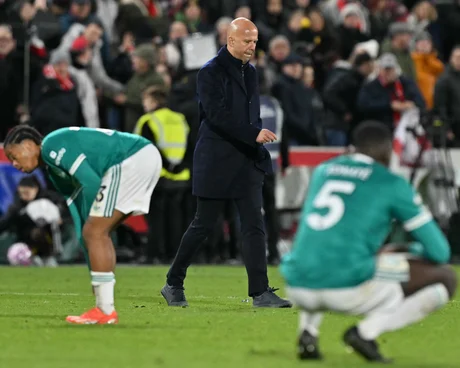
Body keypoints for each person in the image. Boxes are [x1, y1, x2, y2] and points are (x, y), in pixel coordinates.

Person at [280, 121, 457, 362]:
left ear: (354, 148)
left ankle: (308, 333)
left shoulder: (324, 170)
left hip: (297, 285)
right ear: (388, 151)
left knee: (324, 248)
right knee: (445, 278)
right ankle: (366, 333)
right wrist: (407, 249)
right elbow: (439, 252)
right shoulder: (390, 183)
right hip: (345, 289)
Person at [161, 17, 291, 308]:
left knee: (254, 223)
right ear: (230, 40)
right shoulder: (209, 73)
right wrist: (253, 134)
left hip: (246, 160)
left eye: (255, 41)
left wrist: (255, 147)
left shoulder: (252, 73)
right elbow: (216, 115)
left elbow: (250, 114)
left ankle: (260, 292)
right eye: (247, 41)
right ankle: (173, 282)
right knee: (203, 225)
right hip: (216, 158)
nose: (252, 46)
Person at [3, 125, 162, 324]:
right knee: (94, 233)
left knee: (95, 231)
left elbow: (91, 183)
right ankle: (103, 307)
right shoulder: (53, 172)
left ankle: (104, 310)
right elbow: (77, 212)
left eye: (14, 156)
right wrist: (90, 255)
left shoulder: (51, 145)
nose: (14, 163)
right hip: (140, 158)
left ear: (28, 145)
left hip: (131, 158)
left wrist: (91, 230)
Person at [134, 86, 191, 264]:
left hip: (158, 176)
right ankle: (174, 254)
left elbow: (147, 149)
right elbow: (190, 145)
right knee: (176, 218)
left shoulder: (148, 120)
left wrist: (167, 165)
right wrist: (179, 166)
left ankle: (154, 254)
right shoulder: (180, 119)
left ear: (154, 101)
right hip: (181, 176)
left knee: (156, 218)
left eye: (146, 100)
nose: (144, 104)